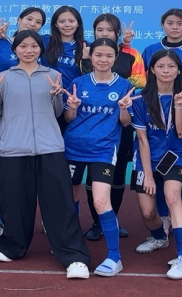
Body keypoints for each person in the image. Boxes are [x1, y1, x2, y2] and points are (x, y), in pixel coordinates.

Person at [0, 30, 91, 279]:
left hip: (49, 146)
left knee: (59, 202)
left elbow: (57, 112)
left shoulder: (53, 75)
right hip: (13, 148)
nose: (28, 50)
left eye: (33, 46)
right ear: (15, 50)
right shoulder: (3, 77)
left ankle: (73, 255)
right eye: (23, 46)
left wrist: (57, 96)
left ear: (41, 49)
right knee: (14, 201)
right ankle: (13, 246)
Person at [63, 38, 136, 277]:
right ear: (90, 57)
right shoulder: (78, 82)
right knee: (70, 198)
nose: (103, 60)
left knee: (101, 201)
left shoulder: (124, 85)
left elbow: (125, 123)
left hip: (103, 150)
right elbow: (69, 119)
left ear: (115, 58)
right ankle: (72, 247)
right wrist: (73, 107)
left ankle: (114, 257)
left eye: (108, 55)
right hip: (73, 147)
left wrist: (123, 108)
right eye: (98, 55)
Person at [129, 50, 182, 279]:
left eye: (171, 66)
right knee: (148, 213)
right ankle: (160, 237)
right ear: (152, 70)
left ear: (179, 70)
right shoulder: (140, 98)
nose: (166, 71)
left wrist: (178, 106)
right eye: (160, 66)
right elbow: (142, 139)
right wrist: (148, 175)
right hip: (146, 158)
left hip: (174, 156)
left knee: (172, 198)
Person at [0, 7, 47, 243]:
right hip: (0, 114)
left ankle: (31, 220)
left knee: (27, 175)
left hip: (31, 119)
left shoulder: (40, 47)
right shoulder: (0, 44)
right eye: (29, 19)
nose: (32, 24)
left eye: (38, 22)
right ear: (19, 20)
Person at [79, 14, 146, 242]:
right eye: (100, 29)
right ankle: (96, 222)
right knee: (93, 175)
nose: (105, 33)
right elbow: (82, 82)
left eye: (109, 30)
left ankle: (112, 220)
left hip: (121, 122)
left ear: (117, 33)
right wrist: (86, 60)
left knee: (117, 175)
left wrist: (117, 90)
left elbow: (141, 82)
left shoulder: (132, 54)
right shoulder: (86, 52)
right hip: (90, 126)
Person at [141, 8, 182, 223]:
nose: (175, 27)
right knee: (159, 166)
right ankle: (165, 217)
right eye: (170, 23)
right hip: (157, 115)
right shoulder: (150, 50)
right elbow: (144, 83)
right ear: (163, 25)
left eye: (180, 23)